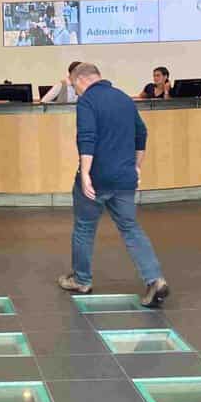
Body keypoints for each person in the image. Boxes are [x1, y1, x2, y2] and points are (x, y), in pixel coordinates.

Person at [58, 63, 169, 308]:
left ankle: (81, 280)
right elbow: (142, 134)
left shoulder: (87, 101)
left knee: (85, 227)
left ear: (80, 80)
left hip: (98, 178)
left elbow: (86, 137)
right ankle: (155, 279)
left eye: (74, 86)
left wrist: (85, 173)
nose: (76, 91)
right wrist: (137, 166)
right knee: (130, 228)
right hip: (124, 177)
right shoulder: (124, 99)